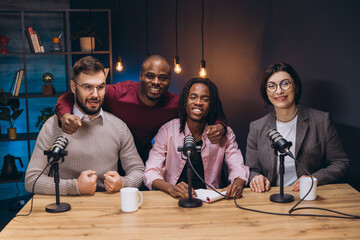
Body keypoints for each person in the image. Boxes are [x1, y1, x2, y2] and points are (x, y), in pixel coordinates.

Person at [55, 55, 225, 163]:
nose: (156, 82)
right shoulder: (118, 94)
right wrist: (64, 116)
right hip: (110, 157)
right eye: (150, 76)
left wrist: (220, 126)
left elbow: (210, 109)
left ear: (170, 80)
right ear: (141, 76)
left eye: (163, 78)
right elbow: (70, 96)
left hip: (144, 159)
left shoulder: (175, 104)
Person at [25, 56, 144, 195]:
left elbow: (139, 171)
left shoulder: (119, 127)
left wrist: (123, 183)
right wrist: (74, 186)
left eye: (100, 87)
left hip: (108, 209)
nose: (95, 95)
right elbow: (31, 180)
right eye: (87, 87)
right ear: (73, 87)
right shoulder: (52, 126)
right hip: (64, 209)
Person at [246, 62, 350, 193]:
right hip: (270, 198)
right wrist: (256, 178)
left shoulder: (321, 121)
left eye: (285, 83)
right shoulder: (256, 127)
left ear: (295, 86)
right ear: (266, 92)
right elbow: (252, 170)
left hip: (310, 196)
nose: (279, 91)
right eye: (271, 86)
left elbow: (341, 163)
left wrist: (314, 179)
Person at [143, 78, 249, 199]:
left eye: (205, 99)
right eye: (193, 97)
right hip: (174, 198)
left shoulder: (225, 133)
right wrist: (170, 188)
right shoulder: (167, 130)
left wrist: (236, 186)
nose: (198, 102)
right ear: (185, 101)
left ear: (211, 104)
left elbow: (238, 168)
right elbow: (151, 171)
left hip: (211, 199)